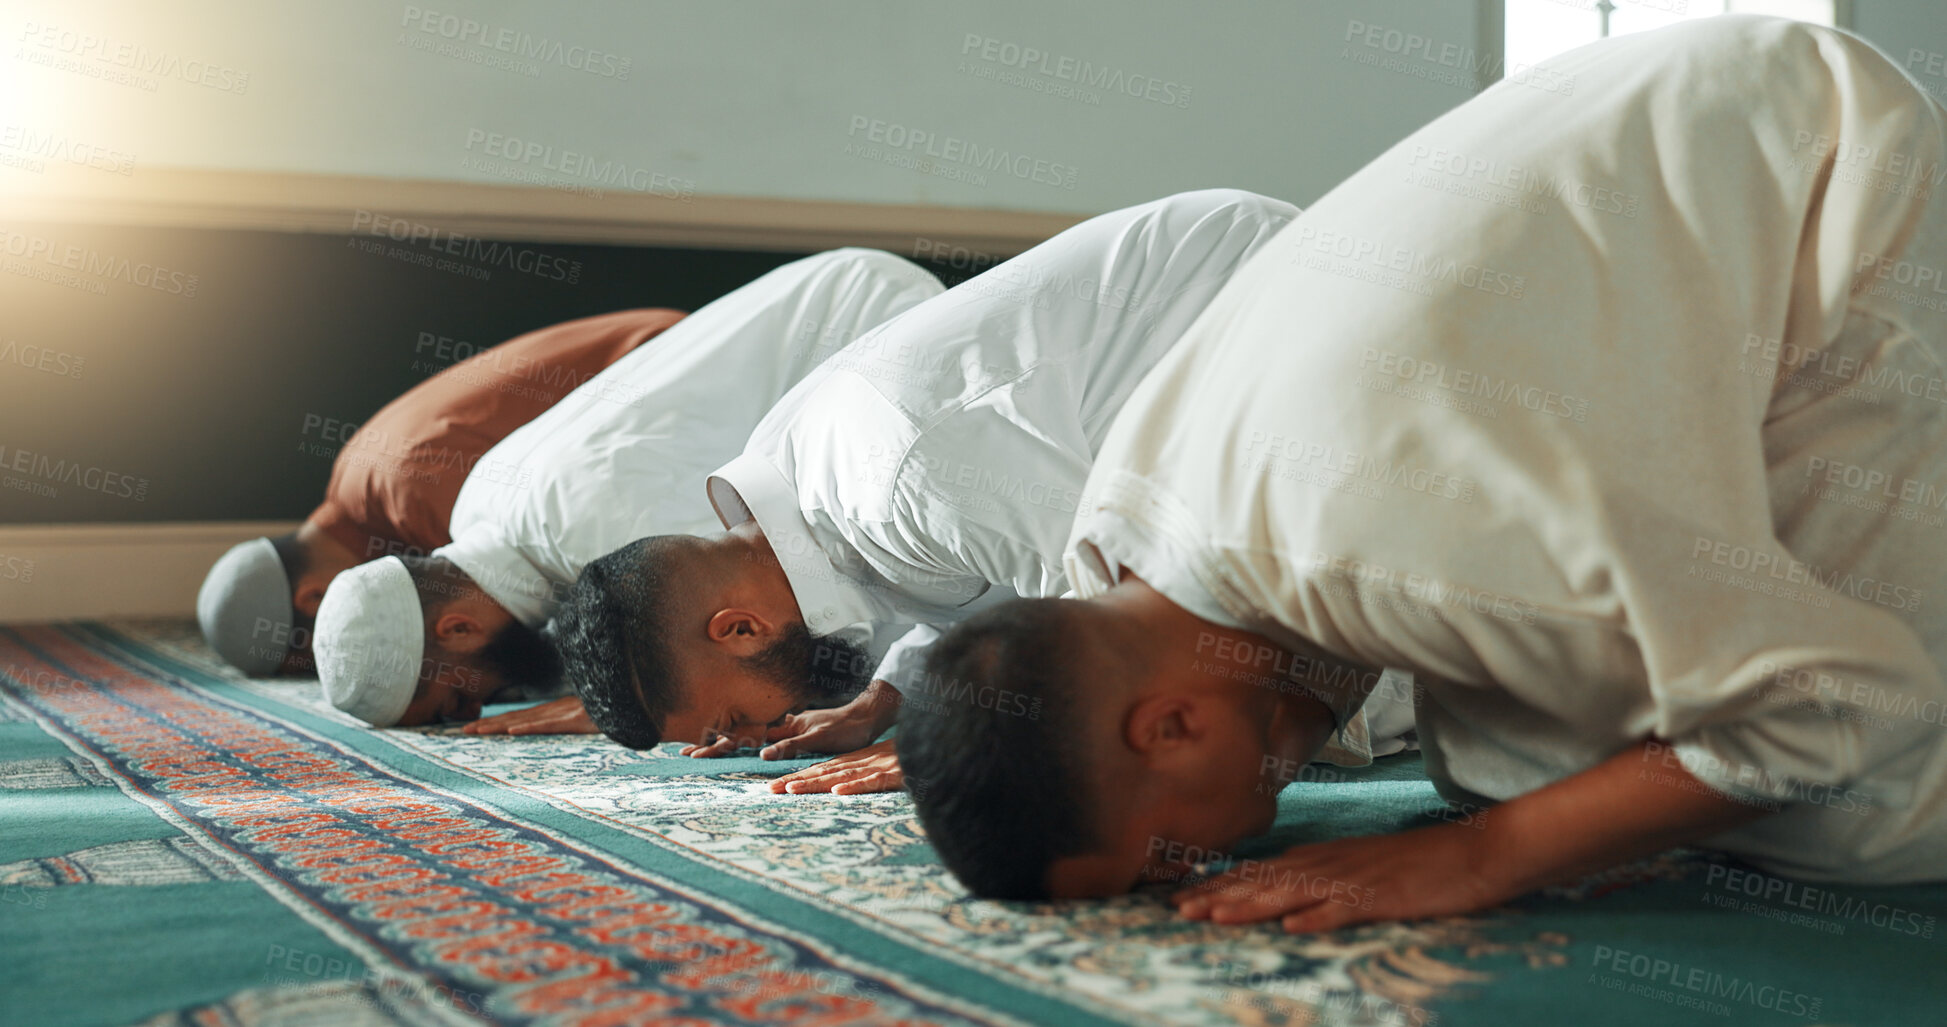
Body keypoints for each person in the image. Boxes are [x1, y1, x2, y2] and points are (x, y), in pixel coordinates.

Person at [899, 15, 1947, 926]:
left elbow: (1833, 699)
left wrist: (1479, 858)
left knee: (1853, 824)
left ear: (1171, 726)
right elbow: (1308, 601)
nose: (1198, 868)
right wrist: (1294, 718)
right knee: (1522, 758)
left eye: (1171, 852)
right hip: (1664, 114)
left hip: (1819, 155)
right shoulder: (1129, 532)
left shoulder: (1417, 543)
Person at [556, 189, 1329, 795]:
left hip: (1276, 305)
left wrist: (974, 754)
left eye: (728, 717)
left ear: (736, 628)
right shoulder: (803, 492)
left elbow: (1121, 610)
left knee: (1269, 680)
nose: (753, 730)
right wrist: (886, 698)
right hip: (1212, 357)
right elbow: (985, 569)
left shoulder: (894, 476)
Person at [309, 249, 943, 727]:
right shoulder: (481, 507)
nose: (477, 708)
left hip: (877, 329)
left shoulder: (596, 530)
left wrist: (658, 697)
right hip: (841, 287)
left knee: (886, 624)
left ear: (453, 630)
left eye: (455, 699)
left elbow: (786, 599)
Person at [195, 306, 684, 676]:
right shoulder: (355, 477)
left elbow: (570, 583)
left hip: (671, 367)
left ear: (316, 600)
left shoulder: (417, 496)